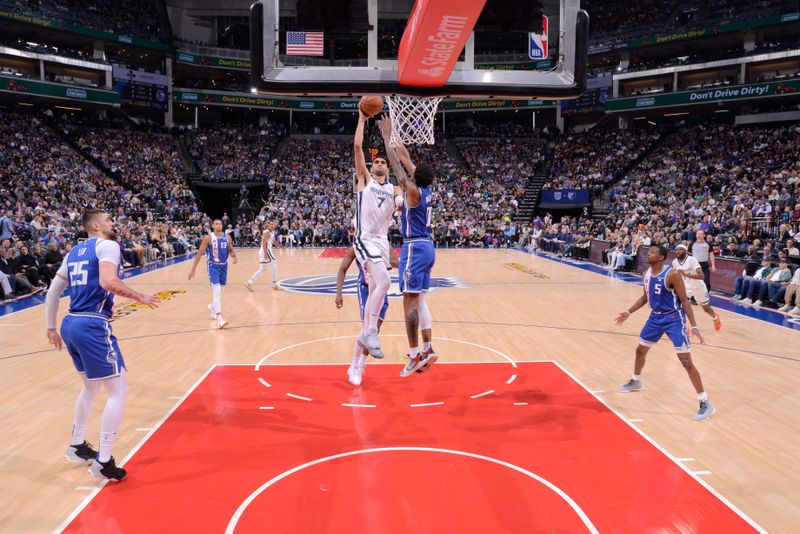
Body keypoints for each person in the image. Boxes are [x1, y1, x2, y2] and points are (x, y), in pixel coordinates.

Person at [44, 209, 159, 481]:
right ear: (95, 226)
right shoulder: (108, 245)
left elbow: (52, 292)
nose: (112, 223)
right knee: (119, 390)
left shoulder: (74, 252)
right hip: (92, 324)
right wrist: (138, 295)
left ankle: (76, 444)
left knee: (91, 386)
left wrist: (50, 327)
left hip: (70, 323)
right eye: (108, 220)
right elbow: (108, 281)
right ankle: (103, 462)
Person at [614, 244, 714, 421]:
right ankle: (636, 380)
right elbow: (646, 297)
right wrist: (628, 312)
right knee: (640, 350)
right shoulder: (646, 274)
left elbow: (684, 301)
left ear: (661, 257)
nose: (648, 253)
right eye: (649, 251)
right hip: (655, 318)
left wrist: (695, 325)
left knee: (685, 361)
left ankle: (705, 402)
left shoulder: (672, 274)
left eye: (652, 252)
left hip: (674, 318)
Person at [380, 116, 438, 377]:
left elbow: (396, 164)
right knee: (421, 299)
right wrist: (394, 135)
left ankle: (414, 355)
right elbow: (404, 157)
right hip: (427, 247)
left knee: (409, 301)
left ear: (416, 176)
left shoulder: (412, 190)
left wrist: (384, 139)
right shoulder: (425, 188)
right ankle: (427, 348)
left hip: (414, 247)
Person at [351, 108, 395, 359]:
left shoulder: (393, 188)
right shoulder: (365, 181)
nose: (379, 163)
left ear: (386, 168)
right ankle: (370, 331)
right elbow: (358, 148)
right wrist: (361, 120)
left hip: (383, 243)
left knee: (381, 286)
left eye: (382, 162)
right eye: (376, 161)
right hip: (365, 238)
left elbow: (402, 175)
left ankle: (365, 334)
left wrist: (388, 139)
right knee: (386, 282)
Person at [335, 247, 397, 386]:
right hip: (364, 288)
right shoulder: (357, 246)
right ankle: (355, 366)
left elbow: (396, 261)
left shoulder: (382, 244)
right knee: (367, 330)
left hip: (380, 288)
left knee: (376, 328)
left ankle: (361, 364)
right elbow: (342, 269)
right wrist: (339, 293)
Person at [188, 219, 238, 329]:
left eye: (220, 223)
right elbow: (199, 254)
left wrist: (234, 256)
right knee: (216, 291)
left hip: (224, 266)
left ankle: (212, 307)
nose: (219, 225)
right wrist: (193, 269)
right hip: (213, 266)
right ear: (212, 226)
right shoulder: (208, 238)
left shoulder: (227, 237)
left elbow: (231, 249)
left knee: (221, 292)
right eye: (216, 223)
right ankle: (220, 318)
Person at [671, 244, 722, 331]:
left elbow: (702, 276)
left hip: (698, 286)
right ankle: (685, 327)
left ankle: (715, 317)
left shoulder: (692, 260)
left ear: (686, 251)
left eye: (680, 249)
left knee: (706, 308)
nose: (678, 251)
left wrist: (686, 274)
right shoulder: (674, 262)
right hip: (686, 288)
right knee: (683, 307)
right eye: (676, 250)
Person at [244, 221, 281, 291]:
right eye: (271, 224)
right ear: (269, 225)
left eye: (274, 225)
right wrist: (265, 253)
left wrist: (280, 246)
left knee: (263, 269)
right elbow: (264, 242)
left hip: (262, 251)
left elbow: (272, 241)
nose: (273, 226)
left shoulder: (271, 232)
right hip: (266, 250)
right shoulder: (267, 232)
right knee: (274, 265)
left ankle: (249, 282)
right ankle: (275, 284)